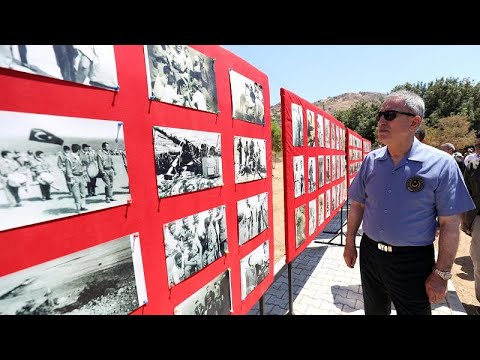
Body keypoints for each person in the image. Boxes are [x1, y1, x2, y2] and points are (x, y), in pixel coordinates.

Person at [343, 90, 475, 315]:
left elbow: (449, 224)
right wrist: (349, 244)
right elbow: (357, 205)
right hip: (370, 253)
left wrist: (442, 273)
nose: (382, 121)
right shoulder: (371, 161)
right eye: (381, 115)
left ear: (414, 122)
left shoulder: (441, 165)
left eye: (391, 115)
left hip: (412, 262)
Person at [461, 139, 480, 313]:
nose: (478, 149)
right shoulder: (472, 167)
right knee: (478, 259)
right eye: (478, 146)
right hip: (478, 218)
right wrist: (465, 221)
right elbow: (465, 194)